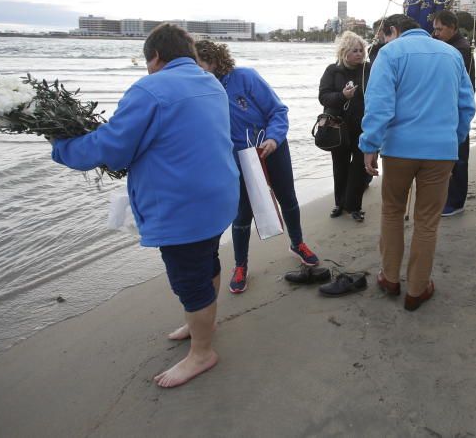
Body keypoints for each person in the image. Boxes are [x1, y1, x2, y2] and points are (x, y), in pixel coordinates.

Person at [51, 24, 239, 388]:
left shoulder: (150, 89)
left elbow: (113, 147)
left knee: (188, 278)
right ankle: (204, 321)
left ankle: (202, 352)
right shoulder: (210, 82)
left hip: (182, 204)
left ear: (154, 57)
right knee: (207, 259)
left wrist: (63, 147)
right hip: (218, 195)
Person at [360, 14, 475, 311]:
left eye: (384, 35)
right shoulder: (452, 54)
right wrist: (454, 138)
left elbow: (379, 104)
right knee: (427, 221)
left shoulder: (390, 53)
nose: (383, 41)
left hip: (399, 149)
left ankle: (389, 278)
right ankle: (416, 289)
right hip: (441, 151)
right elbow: (466, 104)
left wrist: (369, 144)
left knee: (392, 211)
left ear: (393, 31)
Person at [194, 40, 319, 296]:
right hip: (238, 158)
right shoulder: (199, 91)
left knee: (288, 199)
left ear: (214, 60)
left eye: (199, 64)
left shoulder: (245, 77)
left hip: (271, 147)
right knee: (242, 214)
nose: (195, 70)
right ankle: (240, 266)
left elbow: (278, 110)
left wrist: (273, 138)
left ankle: (298, 243)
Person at [319, 31, 370, 221]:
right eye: (355, 51)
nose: (359, 54)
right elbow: (323, 96)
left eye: (361, 50)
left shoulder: (368, 69)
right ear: (344, 52)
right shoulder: (333, 70)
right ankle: (339, 203)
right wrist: (343, 96)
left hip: (362, 126)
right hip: (338, 127)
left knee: (359, 167)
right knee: (339, 167)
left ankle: (354, 206)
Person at [432, 10, 476, 217]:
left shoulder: (461, 49)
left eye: (440, 29)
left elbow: (461, 85)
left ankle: (457, 201)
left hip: (457, 108)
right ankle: (450, 197)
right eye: (435, 29)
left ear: (453, 27)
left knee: (458, 156)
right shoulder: (451, 46)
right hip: (450, 107)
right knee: (451, 154)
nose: (436, 33)